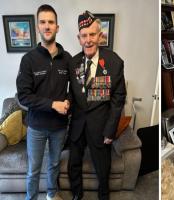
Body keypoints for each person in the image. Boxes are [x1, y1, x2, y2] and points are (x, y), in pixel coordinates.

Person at [67, 11, 126, 200]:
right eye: (84, 35)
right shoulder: (73, 62)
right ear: (79, 38)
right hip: (77, 125)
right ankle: (77, 194)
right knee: (73, 164)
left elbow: (118, 99)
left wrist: (110, 130)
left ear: (100, 36)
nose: (88, 40)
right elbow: (73, 93)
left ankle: (103, 196)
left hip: (100, 126)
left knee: (102, 167)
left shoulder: (114, 62)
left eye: (92, 34)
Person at [16, 4, 71, 200]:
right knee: (33, 169)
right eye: (43, 22)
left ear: (57, 27)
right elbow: (23, 96)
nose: (47, 26)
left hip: (59, 126)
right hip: (36, 126)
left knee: (54, 164)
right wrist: (52, 104)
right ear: (38, 27)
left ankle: (51, 194)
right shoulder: (28, 60)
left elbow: (74, 91)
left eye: (51, 22)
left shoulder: (67, 59)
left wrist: (68, 103)